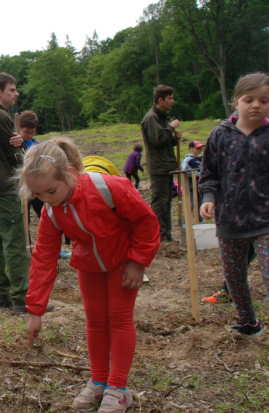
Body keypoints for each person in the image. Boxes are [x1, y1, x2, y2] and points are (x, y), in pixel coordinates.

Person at [21, 138, 159, 413]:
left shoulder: (110, 188)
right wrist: (35, 310)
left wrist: (138, 261)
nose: (47, 199)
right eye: (40, 195)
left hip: (122, 260)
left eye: (51, 191)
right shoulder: (51, 211)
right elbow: (44, 258)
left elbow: (146, 221)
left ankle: (119, 388)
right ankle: (98, 380)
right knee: (95, 321)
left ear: (69, 174)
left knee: (119, 319)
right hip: (89, 264)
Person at [199, 72, 269, 337]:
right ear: (236, 101)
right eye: (249, 99)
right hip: (230, 219)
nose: (256, 105)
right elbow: (209, 174)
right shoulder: (220, 134)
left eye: (264, 100)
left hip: (266, 219)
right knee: (234, 276)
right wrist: (208, 199)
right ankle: (248, 322)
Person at [0, 73, 40, 314]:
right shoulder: (1, 118)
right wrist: (25, 158)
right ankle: (21, 298)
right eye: (12, 89)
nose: (17, 93)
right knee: (14, 241)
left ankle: (0, 295)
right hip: (4, 189)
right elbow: (14, 157)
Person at [141, 85, 182, 243]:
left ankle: (166, 234)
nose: (173, 101)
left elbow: (164, 141)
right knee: (160, 200)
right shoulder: (151, 118)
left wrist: (173, 139)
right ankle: (158, 236)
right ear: (160, 100)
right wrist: (172, 127)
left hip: (166, 165)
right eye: (170, 98)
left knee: (166, 200)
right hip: (158, 167)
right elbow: (157, 140)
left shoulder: (161, 117)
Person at [10, 110, 43, 218]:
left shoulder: (37, 144)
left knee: (43, 213)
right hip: (22, 187)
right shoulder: (15, 145)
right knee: (24, 217)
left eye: (32, 132)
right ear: (19, 128)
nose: (29, 135)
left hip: (38, 186)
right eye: (26, 132)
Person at [181, 140, 204, 224]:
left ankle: (200, 222)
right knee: (190, 205)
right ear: (191, 149)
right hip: (191, 185)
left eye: (200, 148)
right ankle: (185, 223)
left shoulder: (201, 158)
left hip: (200, 185)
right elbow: (185, 169)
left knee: (200, 204)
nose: (199, 149)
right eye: (197, 148)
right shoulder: (188, 159)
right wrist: (198, 174)